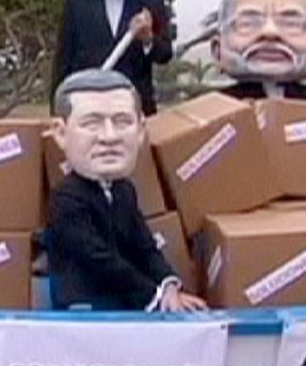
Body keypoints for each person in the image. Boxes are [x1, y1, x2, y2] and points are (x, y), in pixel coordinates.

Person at [46, 69, 207, 312]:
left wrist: (168, 284)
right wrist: (154, 296)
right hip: (85, 311)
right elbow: (98, 261)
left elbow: (144, 245)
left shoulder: (124, 191)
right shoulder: (66, 200)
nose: (109, 137)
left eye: (122, 122)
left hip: (126, 305)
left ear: (141, 130)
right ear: (61, 132)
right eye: (91, 123)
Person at [213, 0, 306, 101]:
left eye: (291, 24)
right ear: (217, 51)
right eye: (248, 23)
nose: (270, 32)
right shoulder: (210, 109)